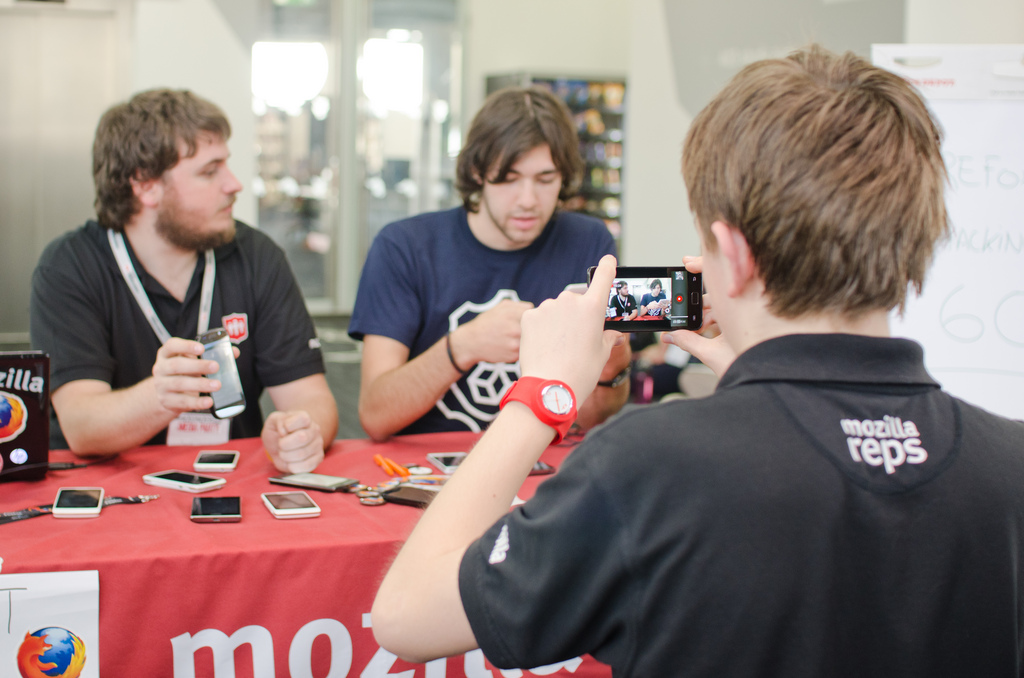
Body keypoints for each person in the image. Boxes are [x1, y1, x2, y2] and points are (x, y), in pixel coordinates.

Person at [370, 45, 1024, 676]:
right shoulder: (1010, 464)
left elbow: (404, 616)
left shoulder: (648, 466)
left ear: (731, 254)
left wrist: (540, 395)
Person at [30, 89, 338, 473]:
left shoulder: (257, 256)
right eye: (210, 172)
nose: (234, 184)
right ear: (145, 185)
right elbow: (82, 426)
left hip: (229, 480)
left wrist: (301, 431)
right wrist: (161, 396)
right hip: (110, 489)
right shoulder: (69, 267)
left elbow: (311, 397)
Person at [349, 86, 630, 441]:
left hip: (543, 465)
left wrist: (613, 360)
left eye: (545, 180)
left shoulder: (588, 242)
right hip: (427, 471)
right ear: (478, 172)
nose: (528, 200)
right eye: (509, 179)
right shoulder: (405, 247)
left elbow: (591, 417)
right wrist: (463, 346)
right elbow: (375, 415)